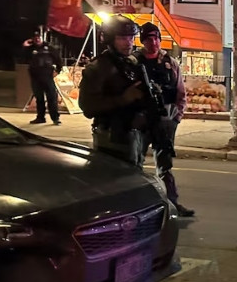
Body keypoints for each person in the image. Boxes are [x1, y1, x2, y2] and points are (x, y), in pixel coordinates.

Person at [135, 22, 194, 217]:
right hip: (141, 122)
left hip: (165, 121)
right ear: (142, 41)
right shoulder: (134, 62)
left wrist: (176, 117)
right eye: (148, 39)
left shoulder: (170, 63)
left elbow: (180, 92)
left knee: (165, 165)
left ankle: (171, 204)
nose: (153, 42)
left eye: (156, 38)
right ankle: (137, 207)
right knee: (135, 165)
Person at [78, 16, 155, 166]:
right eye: (122, 38)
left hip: (135, 135)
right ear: (109, 39)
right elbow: (88, 107)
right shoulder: (98, 67)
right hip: (111, 138)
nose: (129, 42)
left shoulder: (131, 63)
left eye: (131, 37)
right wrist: (123, 99)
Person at [23, 30, 63, 125]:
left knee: (52, 98)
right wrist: (25, 46)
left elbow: (58, 60)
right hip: (35, 78)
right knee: (39, 99)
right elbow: (23, 57)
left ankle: (55, 118)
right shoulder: (31, 49)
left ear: (42, 38)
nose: (37, 39)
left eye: (39, 37)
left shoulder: (49, 48)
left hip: (47, 77)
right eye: (35, 38)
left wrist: (58, 71)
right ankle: (40, 118)